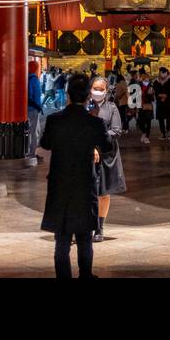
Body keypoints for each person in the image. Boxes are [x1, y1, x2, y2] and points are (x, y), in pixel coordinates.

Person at [39, 74, 112, 278]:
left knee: (62, 240)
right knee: (84, 238)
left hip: (59, 185)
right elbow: (106, 146)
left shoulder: (54, 120)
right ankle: (85, 275)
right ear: (88, 96)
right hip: (84, 183)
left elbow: (44, 144)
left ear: (68, 95)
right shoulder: (94, 123)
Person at [89, 76, 127, 242]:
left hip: (106, 154)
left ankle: (99, 227)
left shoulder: (111, 108)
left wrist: (98, 144)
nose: (97, 91)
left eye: (100, 89)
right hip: (86, 154)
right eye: (95, 88)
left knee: (103, 192)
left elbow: (116, 130)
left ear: (106, 90)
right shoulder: (84, 107)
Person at [153, 67, 170, 140]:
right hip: (160, 103)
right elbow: (155, 91)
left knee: (168, 118)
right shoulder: (156, 81)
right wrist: (160, 96)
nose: (162, 74)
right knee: (161, 119)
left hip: (168, 103)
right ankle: (163, 133)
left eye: (164, 72)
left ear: (166, 73)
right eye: (161, 72)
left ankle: (168, 132)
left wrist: (166, 96)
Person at [27, 60, 45, 161]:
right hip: (33, 109)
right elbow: (30, 96)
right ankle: (31, 153)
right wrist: (38, 107)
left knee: (34, 131)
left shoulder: (29, 78)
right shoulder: (33, 79)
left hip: (32, 108)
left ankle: (32, 152)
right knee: (34, 132)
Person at [136, 71, 155, 144]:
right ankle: (144, 133)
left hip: (148, 106)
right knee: (140, 122)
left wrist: (151, 93)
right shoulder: (139, 86)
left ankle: (147, 136)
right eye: (145, 78)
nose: (146, 79)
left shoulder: (151, 86)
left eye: (147, 78)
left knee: (148, 122)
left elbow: (153, 99)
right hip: (140, 106)